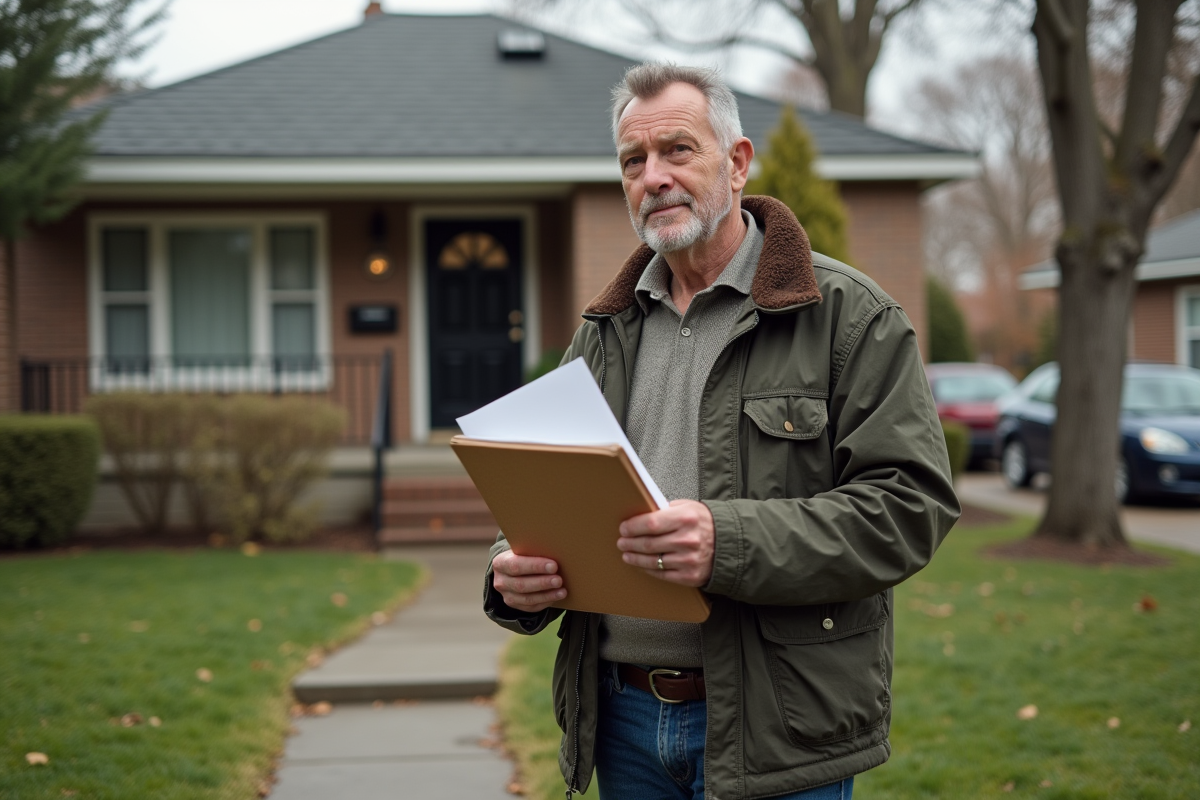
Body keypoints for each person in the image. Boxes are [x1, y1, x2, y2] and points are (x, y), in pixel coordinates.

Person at [483, 63, 959, 800]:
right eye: (633, 161)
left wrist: (724, 541)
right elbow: (550, 498)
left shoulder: (848, 317)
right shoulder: (603, 332)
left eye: (678, 150)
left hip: (777, 724)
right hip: (622, 718)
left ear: (736, 164)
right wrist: (512, 573)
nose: (654, 177)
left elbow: (910, 507)